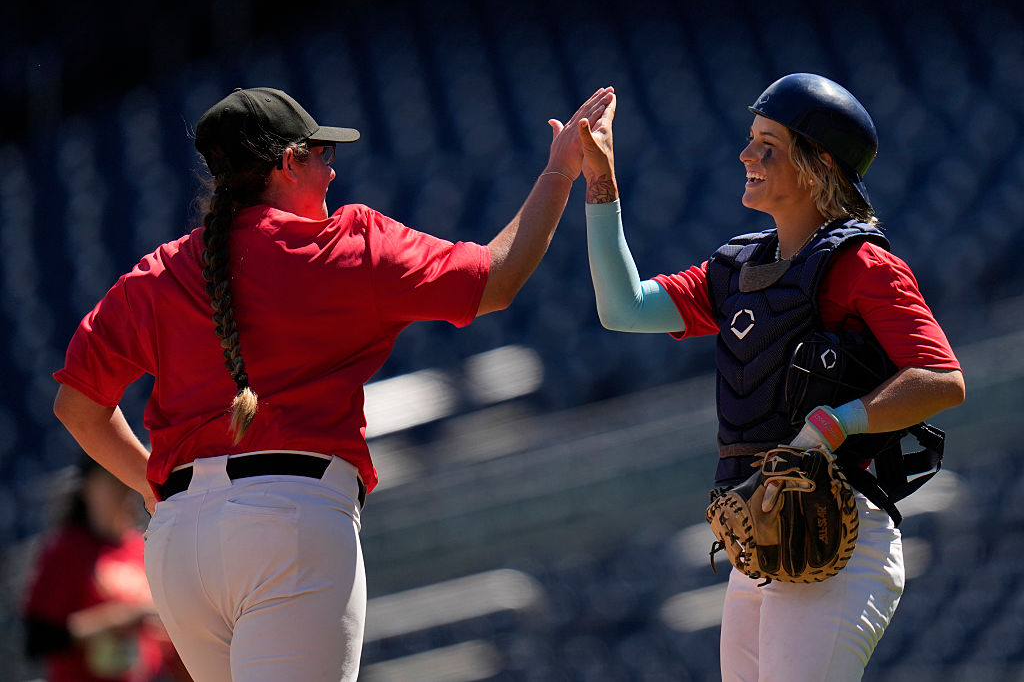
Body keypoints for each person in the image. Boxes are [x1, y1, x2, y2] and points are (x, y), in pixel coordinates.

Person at [52, 84, 613, 681]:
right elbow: (496, 280)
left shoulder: (157, 273)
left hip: (177, 548)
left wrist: (148, 482)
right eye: (321, 155)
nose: (333, 169)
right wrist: (559, 172)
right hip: (289, 525)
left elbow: (78, 407)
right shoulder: (346, 242)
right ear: (287, 162)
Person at [577, 73, 965, 679]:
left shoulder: (863, 264)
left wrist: (840, 423)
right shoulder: (739, 269)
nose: (746, 156)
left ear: (818, 165)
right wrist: (601, 182)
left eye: (769, 146)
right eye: (751, 139)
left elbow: (941, 377)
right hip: (764, 541)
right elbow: (621, 308)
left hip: (837, 535)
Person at [22, 454, 190, 682]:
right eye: (112, 479)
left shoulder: (145, 547)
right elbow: (39, 638)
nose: (122, 490)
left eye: (126, 480)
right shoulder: (66, 551)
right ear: (88, 487)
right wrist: (118, 619)